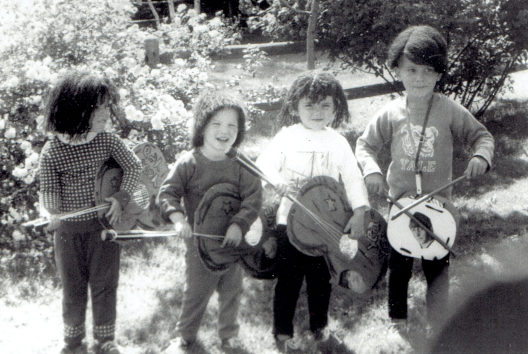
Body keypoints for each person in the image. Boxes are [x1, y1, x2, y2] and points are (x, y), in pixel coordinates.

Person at [355, 25, 494, 337]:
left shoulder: (449, 110)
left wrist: (480, 157)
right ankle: (397, 320)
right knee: (399, 268)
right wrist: (372, 170)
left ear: (439, 73)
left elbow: (481, 136)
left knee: (437, 270)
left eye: (428, 70)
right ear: (398, 71)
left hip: (439, 208)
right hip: (399, 208)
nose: (419, 78)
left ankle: (438, 322)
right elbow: (364, 146)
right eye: (411, 70)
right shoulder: (390, 113)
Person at [256, 71, 370, 353]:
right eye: (310, 105)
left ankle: (320, 329)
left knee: (322, 280)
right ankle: (283, 334)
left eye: (325, 106)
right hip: (290, 224)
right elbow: (263, 165)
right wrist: (276, 180)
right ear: (295, 107)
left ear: (336, 108)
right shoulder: (286, 137)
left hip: (326, 228)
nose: (317, 112)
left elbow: (354, 178)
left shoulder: (338, 142)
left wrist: (359, 211)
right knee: (289, 281)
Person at [39, 70, 142, 354]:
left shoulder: (106, 141)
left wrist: (121, 197)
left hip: (103, 227)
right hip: (68, 233)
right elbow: (49, 188)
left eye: (108, 106)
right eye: (99, 107)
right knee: (72, 288)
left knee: (105, 285)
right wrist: (53, 211)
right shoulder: (53, 150)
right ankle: (72, 340)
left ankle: (105, 340)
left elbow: (134, 166)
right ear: (77, 109)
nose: (106, 113)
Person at [158, 88, 262, 353]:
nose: (224, 130)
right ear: (201, 126)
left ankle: (229, 336)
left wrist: (239, 224)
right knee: (195, 293)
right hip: (200, 248)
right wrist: (179, 219)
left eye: (231, 125)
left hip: (233, 243)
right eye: (216, 123)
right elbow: (168, 193)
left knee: (232, 292)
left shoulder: (242, 164)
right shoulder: (188, 163)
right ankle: (184, 336)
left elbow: (253, 196)